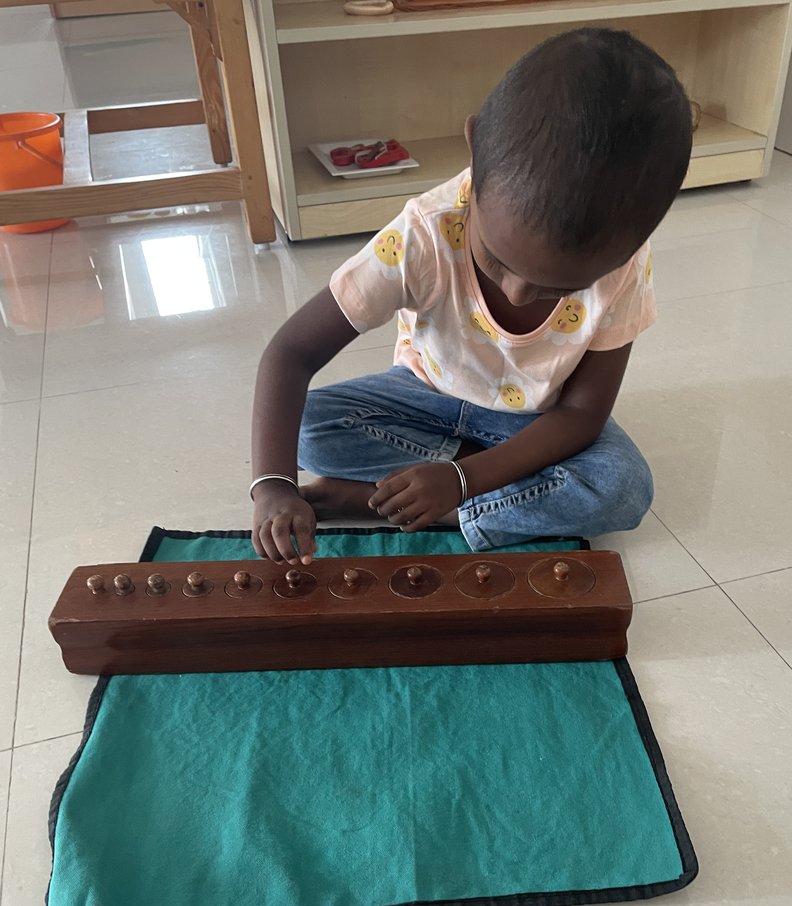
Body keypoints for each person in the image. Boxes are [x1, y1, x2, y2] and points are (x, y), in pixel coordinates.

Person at [250, 27, 692, 566]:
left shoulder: (625, 263)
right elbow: (290, 354)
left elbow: (581, 415)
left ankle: (392, 502)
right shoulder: (423, 234)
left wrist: (462, 480)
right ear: (477, 148)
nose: (518, 290)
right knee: (309, 427)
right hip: (424, 399)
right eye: (498, 261)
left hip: (536, 420)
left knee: (622, 485)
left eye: (559, 287)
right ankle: (507, 484)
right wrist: (272, 486)